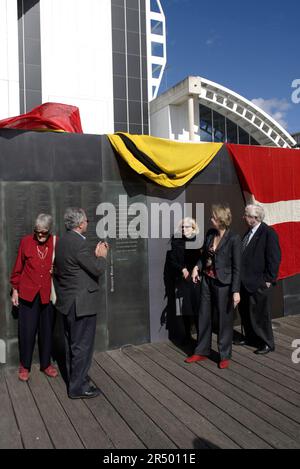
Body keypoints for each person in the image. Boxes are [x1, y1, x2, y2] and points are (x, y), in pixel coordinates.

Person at [54, 207, 108, 399]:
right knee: (82, 346)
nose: (87, 223)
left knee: (73, 345)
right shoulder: (79, 244)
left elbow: (75, 267)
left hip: (68, 303)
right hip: (81, 304)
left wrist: (91, 256)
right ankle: (78, 387)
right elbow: (96, 269)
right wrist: (101, 255)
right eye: (86, 220)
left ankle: (74, 381)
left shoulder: (61, 242)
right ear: (79, 224)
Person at [185, 204, 241, 369]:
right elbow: (203, 256)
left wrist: (236, 290)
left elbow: (238, 267)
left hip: (224, 283)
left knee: (224, 319)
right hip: (207, 281)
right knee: (203, 315)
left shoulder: (234, 239)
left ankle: (224, 355)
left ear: (221, 220)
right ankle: (202, 351)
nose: (211, 219)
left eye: (213, 217)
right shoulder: (210, 233)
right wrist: (196, 267)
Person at [10, 214, 58, 382]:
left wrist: (56, 270)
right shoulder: (26, 242)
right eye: (37, 232)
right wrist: (15, 290)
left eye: (43, 232)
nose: (40, 236)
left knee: (47, 331)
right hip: (28, 293)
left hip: (47, 293)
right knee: (27, 331)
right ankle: (25, 365)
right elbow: (18, 267)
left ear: (49, 230)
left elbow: (64, 266)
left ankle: (46, 364)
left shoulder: (55, 243)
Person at [234, 204, 281, 354]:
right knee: (246, 312)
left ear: (255, 218)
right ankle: (250, 337)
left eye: (246, 215)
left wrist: (268, 280)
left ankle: (267, 342)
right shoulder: (248, 232)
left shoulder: (268, 233)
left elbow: (274, 258)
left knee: (260, 314)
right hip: (244, 282)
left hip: (258, 282)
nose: (243, 217)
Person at [163, 218, 201, 345]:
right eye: (183, 227)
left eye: (187, 227)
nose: (184, 229)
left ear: (193, 228)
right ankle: (187, 335)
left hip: (196, 278)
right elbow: (173, 260)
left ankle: (201, 337)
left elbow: (202, 259)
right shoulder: (177, 240)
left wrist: (195, 270)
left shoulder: (198, 240)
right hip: (182, 279)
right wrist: (182, 269)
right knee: (184, 309)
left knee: (197, 308)